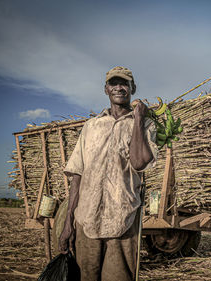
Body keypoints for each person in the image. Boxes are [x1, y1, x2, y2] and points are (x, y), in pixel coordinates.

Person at [58, 66, 158, 281]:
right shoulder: (91, 126)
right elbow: (77, 175)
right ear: (106, 89)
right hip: (86, 221)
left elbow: (140, 163)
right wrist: (69, 223)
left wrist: (139, 119)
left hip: (123, 222)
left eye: (125, 83)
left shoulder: (145, 125)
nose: (119, 88)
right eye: (114, 83)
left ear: (133, 88)